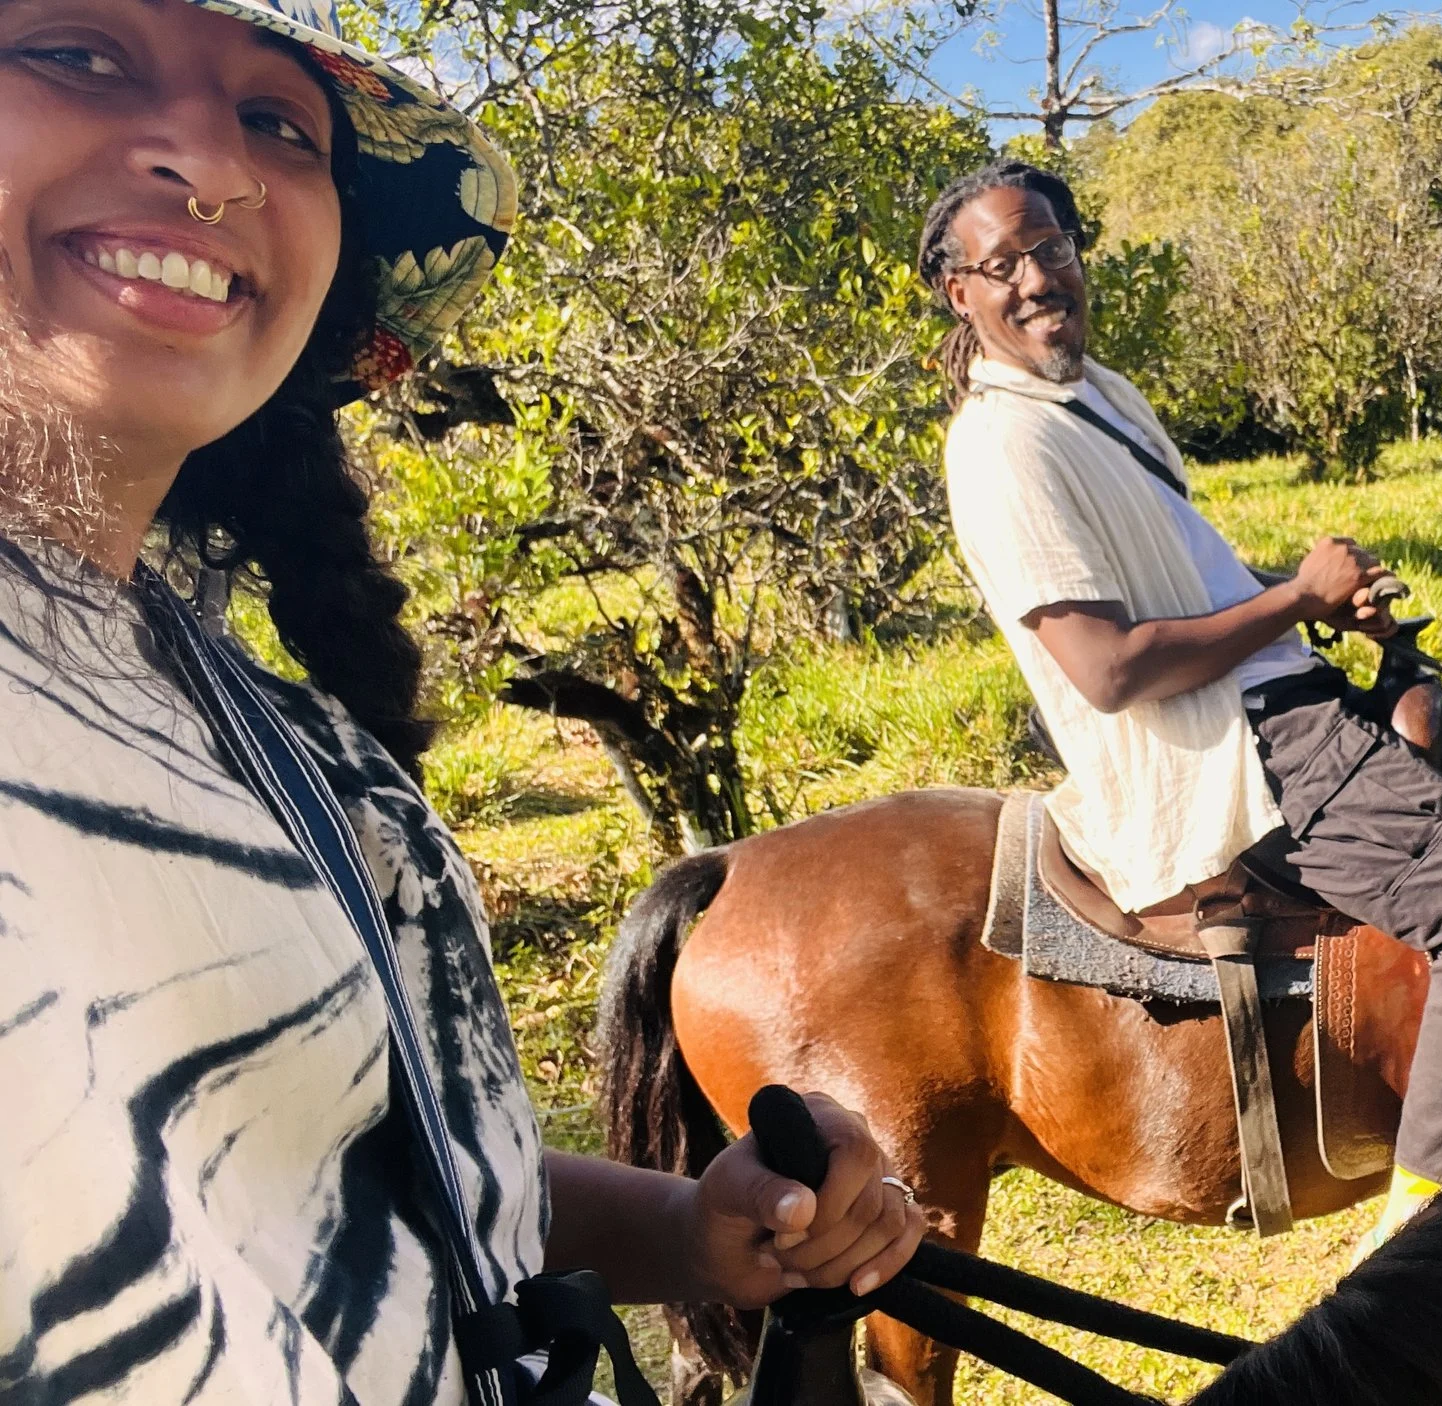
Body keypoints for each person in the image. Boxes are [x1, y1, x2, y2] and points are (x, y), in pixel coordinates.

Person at [0, 0, 922, 1400]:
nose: (215, 163)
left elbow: (375, 1152)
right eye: (75, 54)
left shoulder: (258, 720)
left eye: (278, 122)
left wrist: (689, 1227)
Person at [920, 161, 1442, 1250]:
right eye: (1003, 264)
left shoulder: (1091, 395)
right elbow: (1108, 668)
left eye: (1051, 249)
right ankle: (1429, 1250)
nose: (1037, 278)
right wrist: (1293, 600)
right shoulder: (1003, 445)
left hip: (1267, 694)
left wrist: (1322, 607)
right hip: (1231, 744)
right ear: (961, 293)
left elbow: (1183, 582)